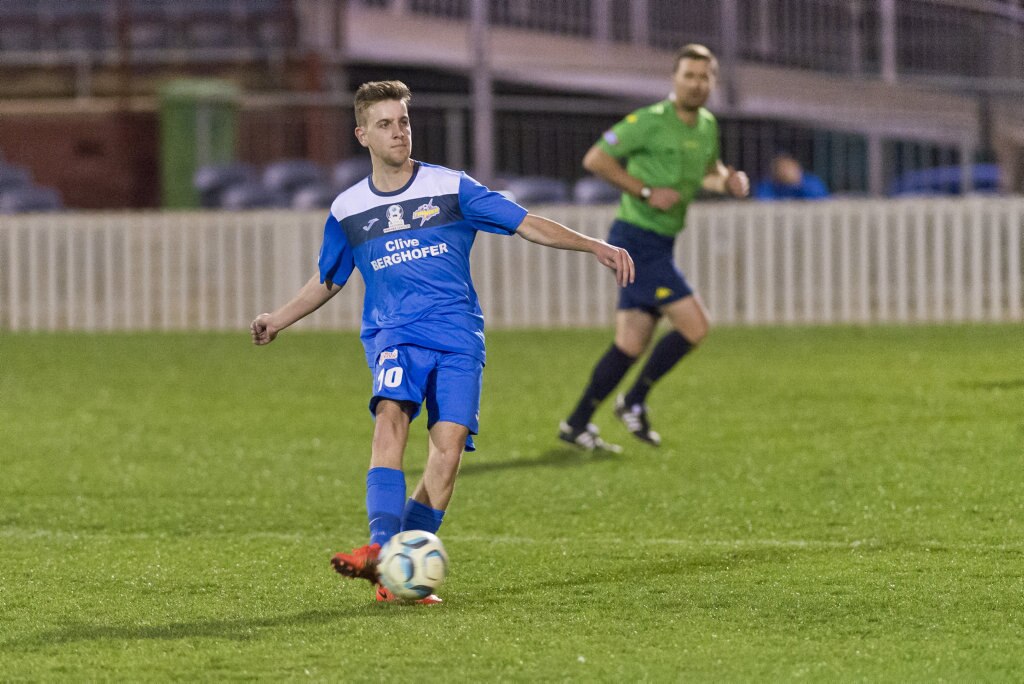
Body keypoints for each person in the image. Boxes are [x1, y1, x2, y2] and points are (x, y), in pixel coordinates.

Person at [250, 80, 633, 604]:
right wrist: (278, 318)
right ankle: (382, 550)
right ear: (362, 134)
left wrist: (595, 246)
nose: (398, 133)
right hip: (394, 335)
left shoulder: (450, 188)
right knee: (390, 419)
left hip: (457, 337)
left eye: (403, 122)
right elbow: (328, 280)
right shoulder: (347, 208)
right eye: (384, 124)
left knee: (447, 453)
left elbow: (526, 224)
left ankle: (394, 569)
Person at [559, 44, 749, 451]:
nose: (697, 84)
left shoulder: (707, 126)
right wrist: (645, 190)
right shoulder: (648, 121)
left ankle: (576, 424)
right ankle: (634, 401)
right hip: (634, 240)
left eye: (705, 77)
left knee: (630, 343)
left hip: (660, 243)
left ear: (713, 82)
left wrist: (728, 183)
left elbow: (710, 174)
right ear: (674, 79)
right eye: (689, 76)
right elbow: (596, 159)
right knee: (696, 326)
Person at [754, 152, 829, 200]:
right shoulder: (768, 185)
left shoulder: (811, 182)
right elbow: (762, 201)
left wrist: (797, 184)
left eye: (788, 167)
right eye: (781, 167)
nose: (786, 171)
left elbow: (821, 200)